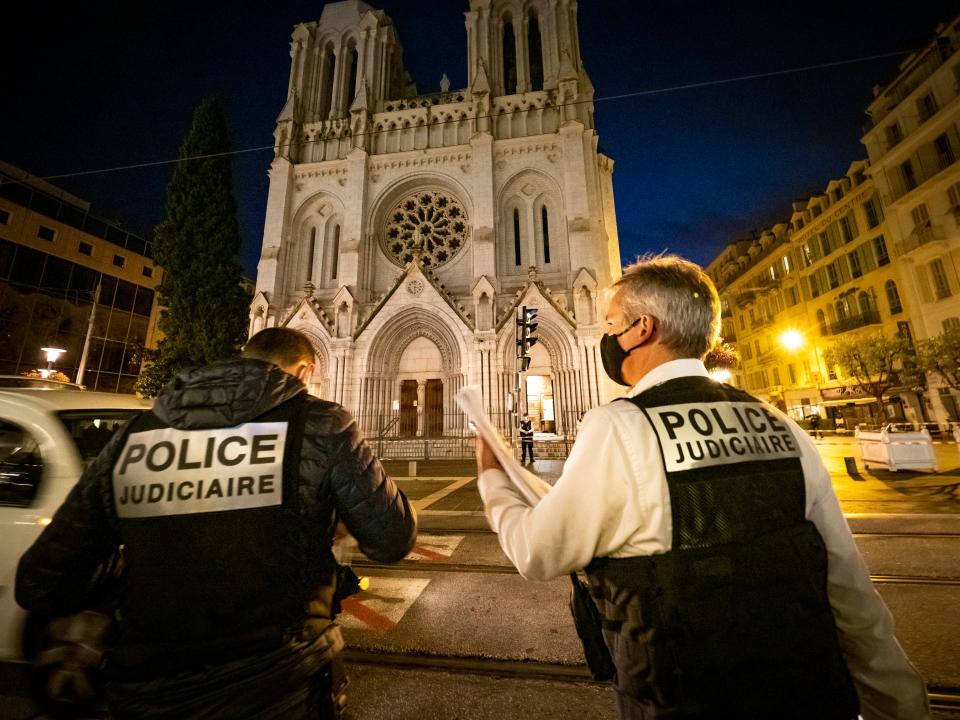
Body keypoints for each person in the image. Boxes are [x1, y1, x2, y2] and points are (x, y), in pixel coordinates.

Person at [475, 255, 929, 720]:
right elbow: (851, 593)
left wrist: (493, 477)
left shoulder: (621, 426)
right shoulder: (778, 424)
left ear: (642, 329)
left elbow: (537, 550)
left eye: (611, 323)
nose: (606, 337)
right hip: (811, 699)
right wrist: (900, 708)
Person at [16, 327, 417, 719]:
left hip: (148, 687)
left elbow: (40, 581)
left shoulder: (137, 434)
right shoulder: (320, 424)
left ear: (243, 358)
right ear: (303, 372)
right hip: (279, 682)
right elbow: (391, 539)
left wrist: (138, 560)